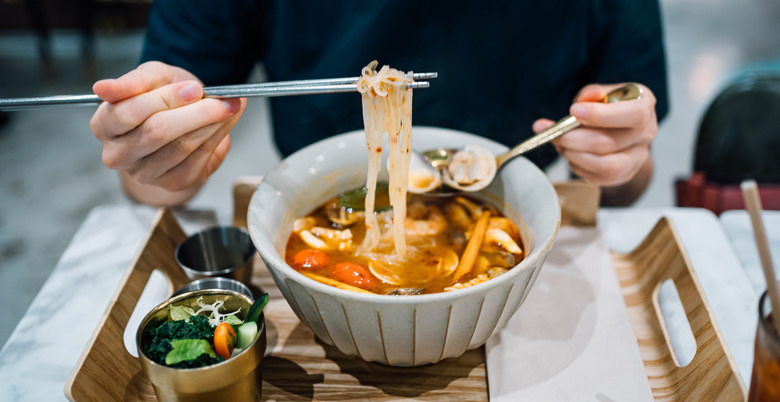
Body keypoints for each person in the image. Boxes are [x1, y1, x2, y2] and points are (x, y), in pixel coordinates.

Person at [90, 0, 668, 207]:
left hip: (525, 220)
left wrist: (620, 161)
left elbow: (630, 182)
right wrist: (154, 154)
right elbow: (149, 184)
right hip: (312, 223)